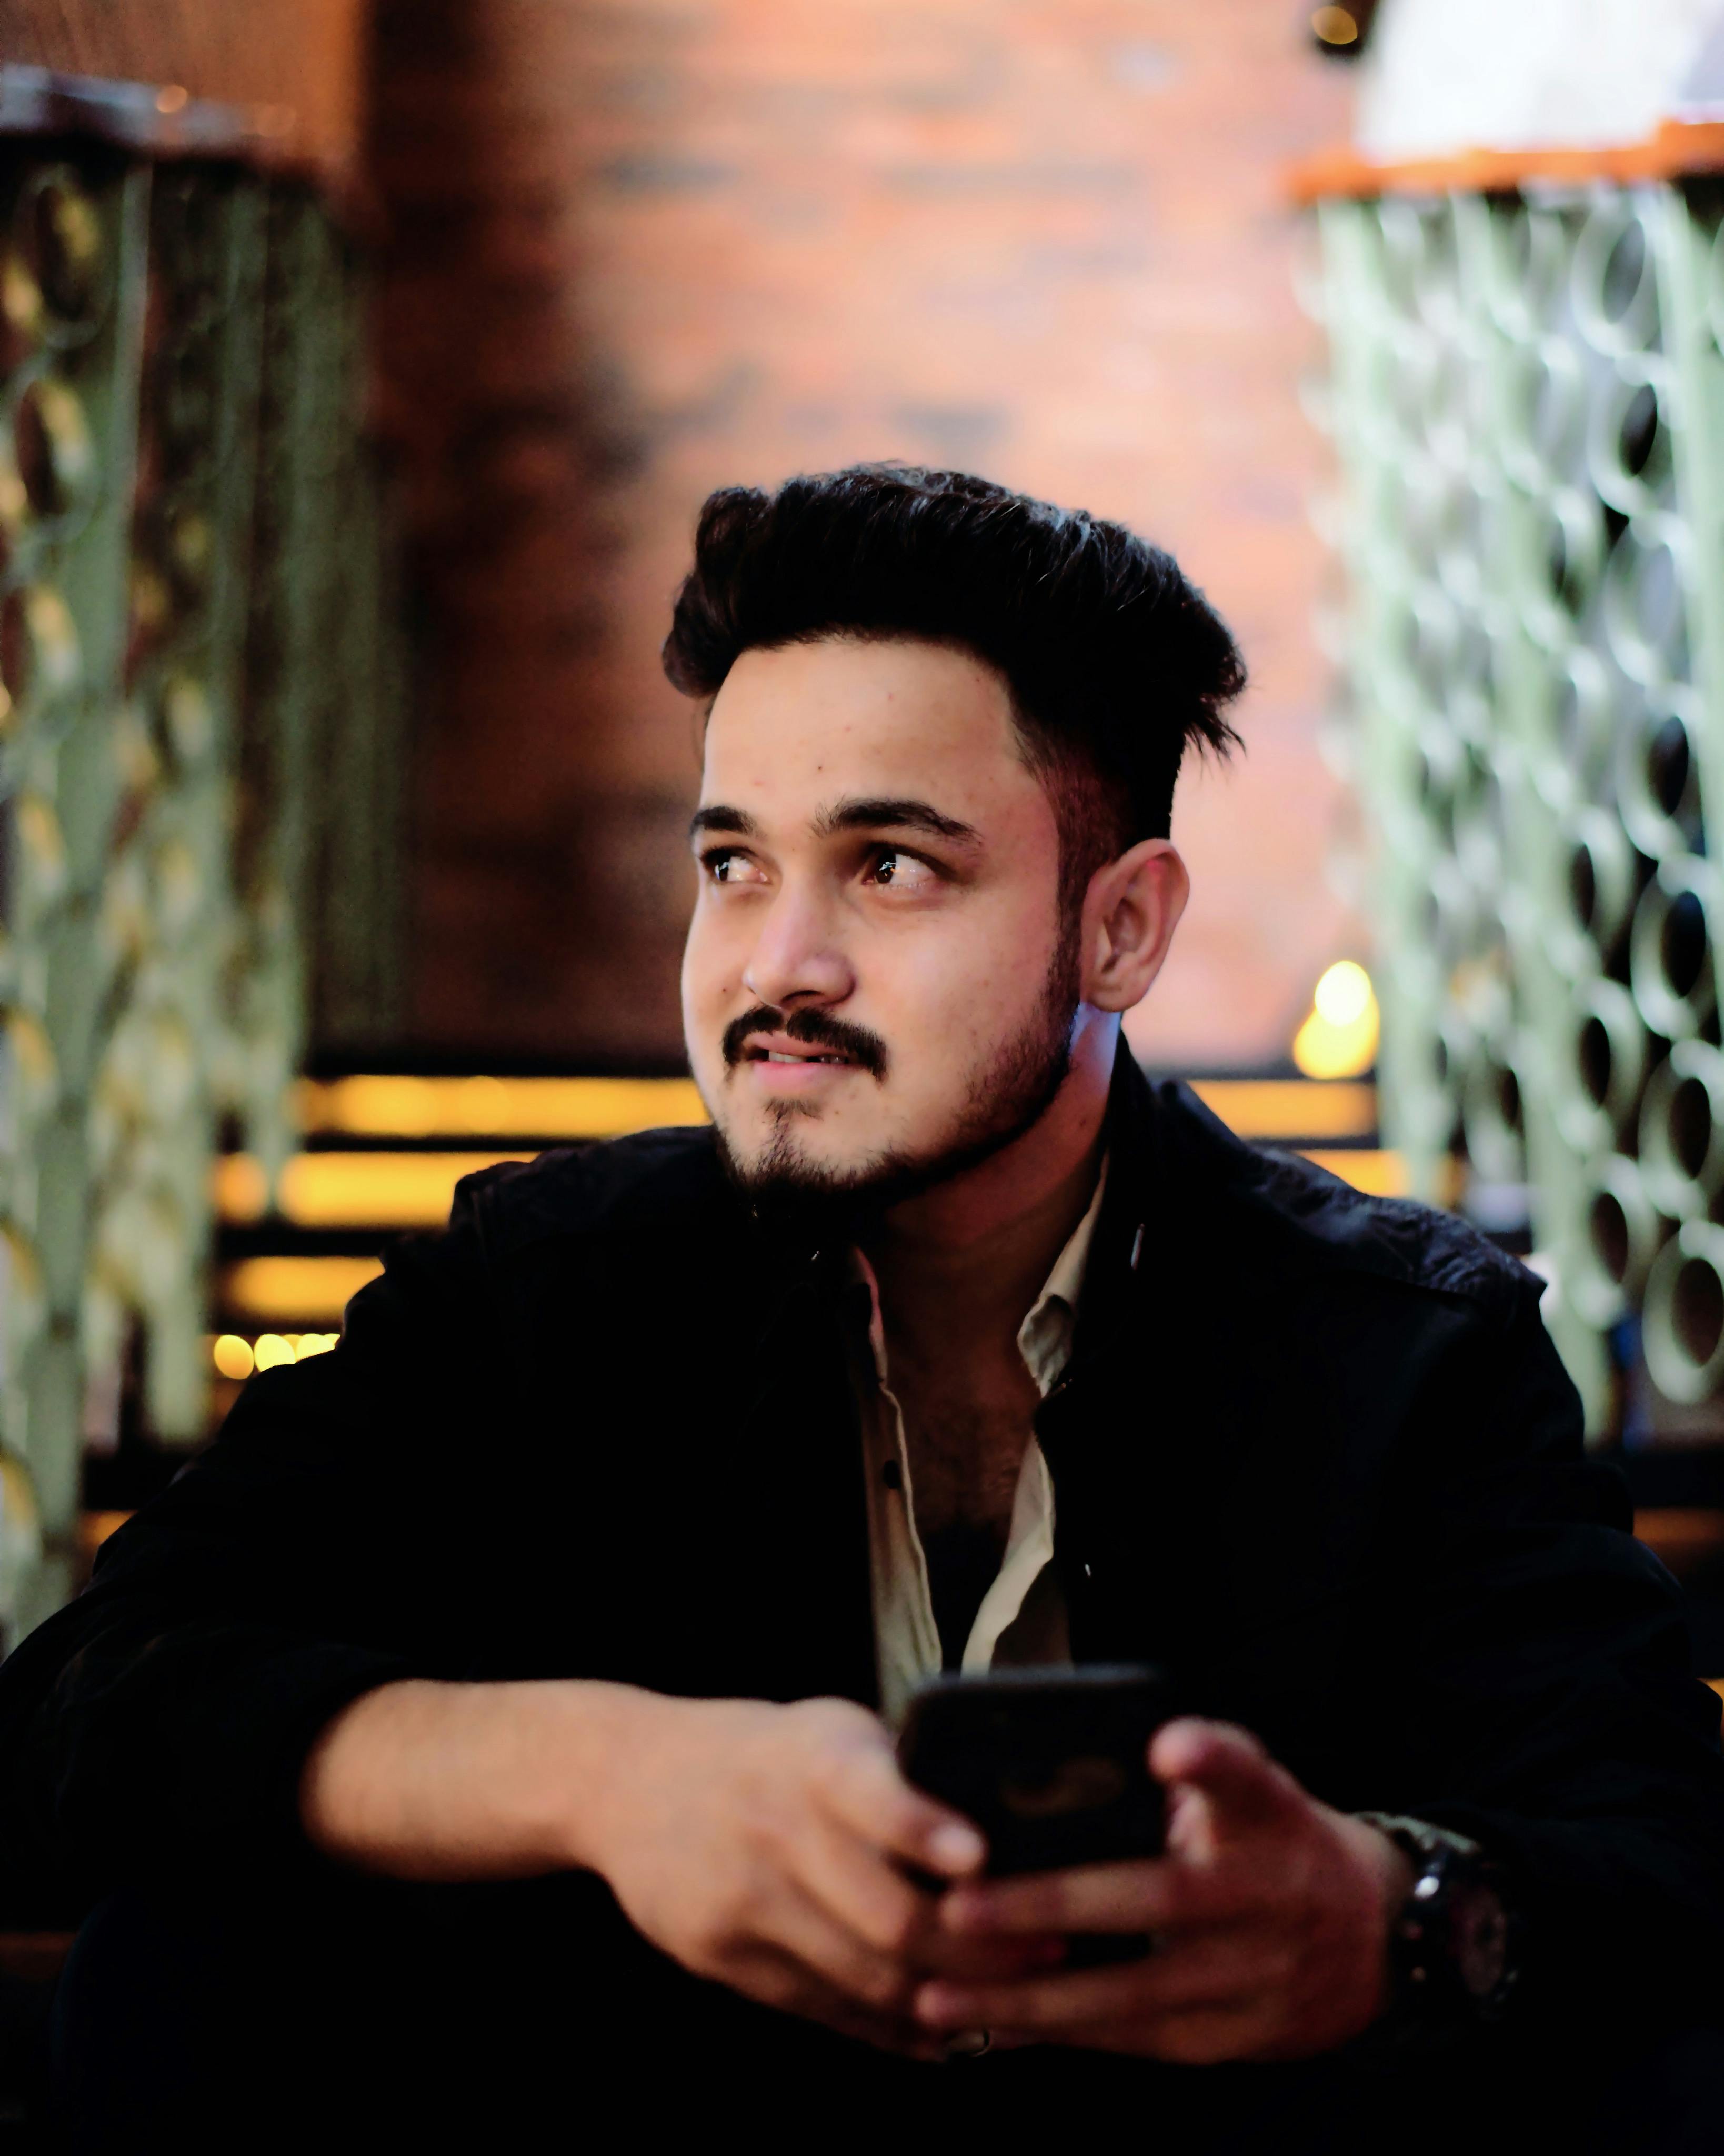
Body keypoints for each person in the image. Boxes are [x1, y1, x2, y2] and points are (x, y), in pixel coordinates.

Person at [4, 466, 1723, 2151]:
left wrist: (1391, 1911)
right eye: (733, 863)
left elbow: (1653, 1856)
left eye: (890, 868)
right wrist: (606, 1779)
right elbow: (86, 1710)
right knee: (174, 1976)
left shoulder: (1404, 1345)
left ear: (1119, 930)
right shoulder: (541, 1293)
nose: (773, 965)